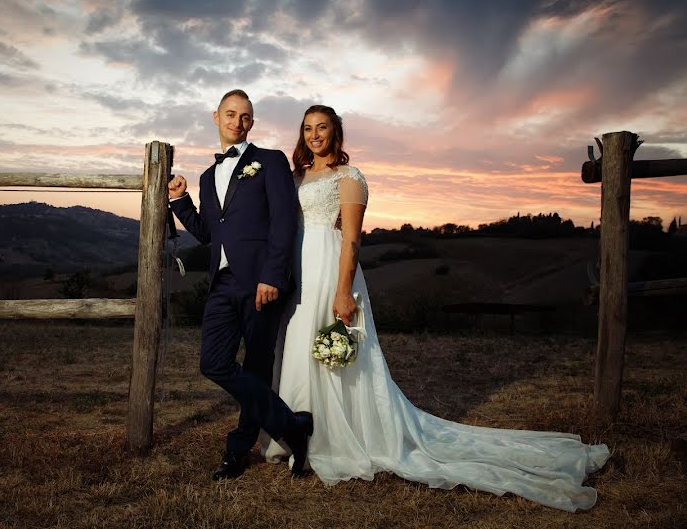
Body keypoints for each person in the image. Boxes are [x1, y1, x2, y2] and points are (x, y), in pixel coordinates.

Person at [262, 104, 610, 512]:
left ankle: (337, 436)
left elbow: (352, 240)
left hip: (330, 269)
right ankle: (297, 430)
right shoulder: (295, 176)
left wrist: (343, 291)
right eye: (307, 128)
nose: (314, 135)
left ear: (336, 133)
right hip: (298, 273)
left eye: (322, 128)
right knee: (300, 347)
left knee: (335, 353)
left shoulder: (349, 177)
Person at [168, 89, 314, 480]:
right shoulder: (206, 175)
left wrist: (273, 275)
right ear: (215, 116)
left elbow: (284, 221)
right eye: (230, 114)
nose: (238, 121)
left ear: (252, 122)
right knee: (213, 363)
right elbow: (209, 233)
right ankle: (292, 425)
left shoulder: (269, 161)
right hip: (222, 282)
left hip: (262, 282)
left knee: (256, 367)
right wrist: (180, 202)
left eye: (245, 116)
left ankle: (237, 451)